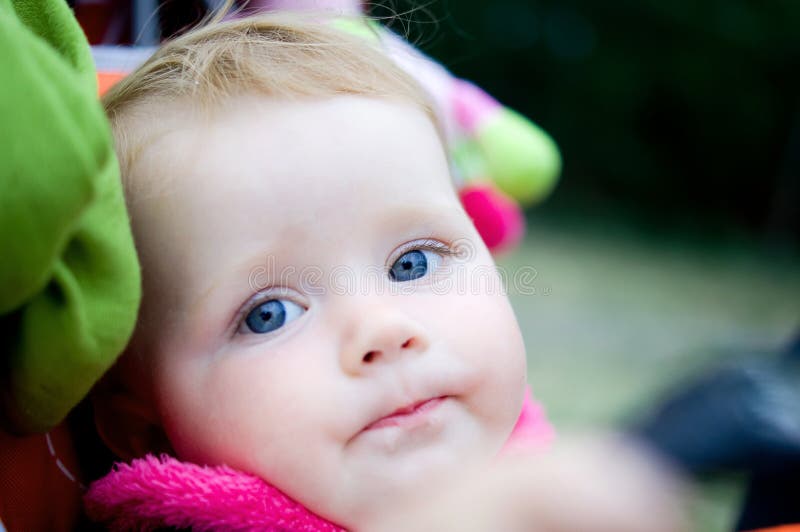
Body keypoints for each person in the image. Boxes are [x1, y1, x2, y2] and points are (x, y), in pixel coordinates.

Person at [87, 13, 685, 531]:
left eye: (413, 263)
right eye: (268, 314)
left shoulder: (521, 455)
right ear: (148, 432)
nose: (381, 329)